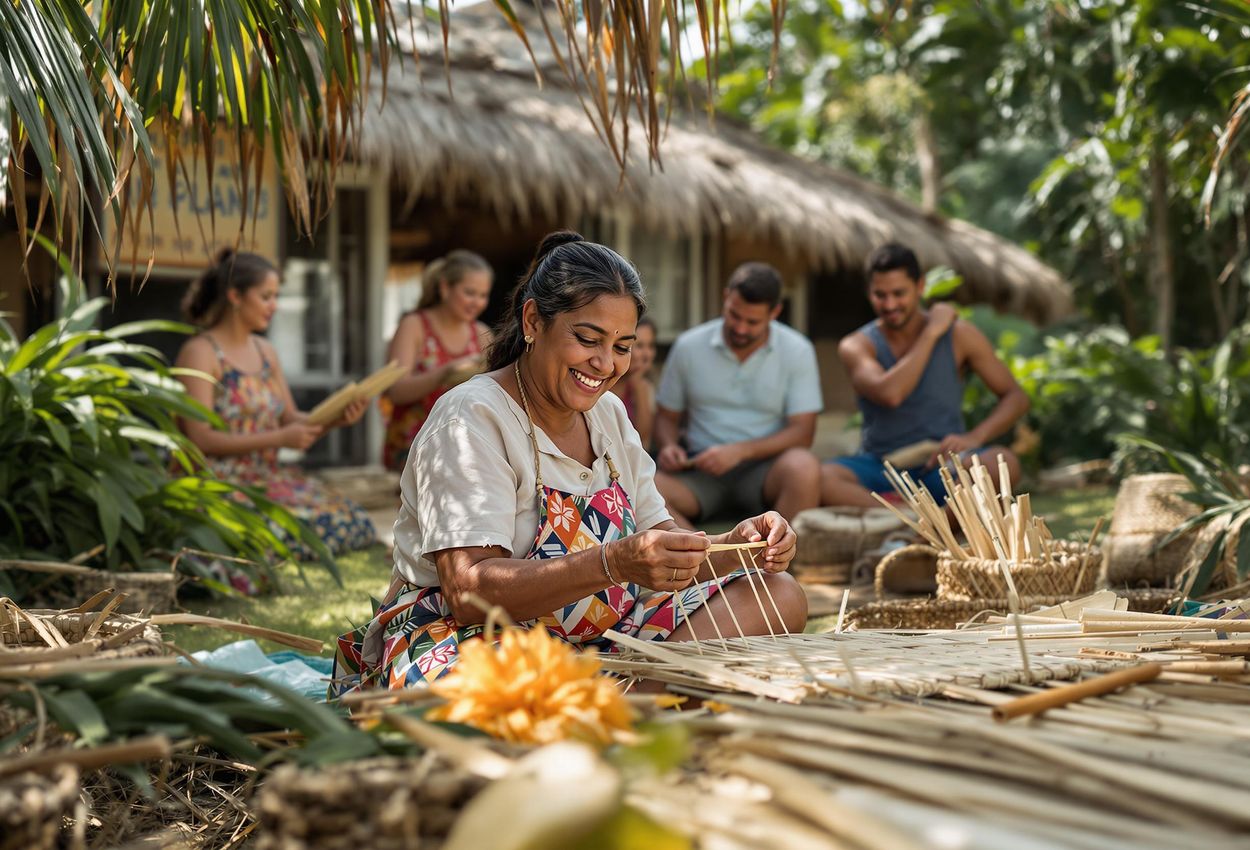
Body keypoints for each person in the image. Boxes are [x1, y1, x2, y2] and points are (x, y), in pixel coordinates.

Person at [331, 232, 806, 694]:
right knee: (485, 691)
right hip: (481, 639)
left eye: (622, 346)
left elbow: (668, 552)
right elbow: (469, 591)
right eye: (587, 338)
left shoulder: (609, 415)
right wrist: (612, 561)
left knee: (776, 593)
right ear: (534, 321)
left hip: (613, 639)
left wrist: (736, 545)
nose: (604, 363)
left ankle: (625, 702)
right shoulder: (471, 417)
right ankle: (618, 706)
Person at [175, 250, 377, 562]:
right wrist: (279, 439)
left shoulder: (266, 351)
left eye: (276, 296)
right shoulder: (201, 352)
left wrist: (338, 419)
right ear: (235, 296)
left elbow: (290, 418)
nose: (274, 306)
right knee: (265, 534)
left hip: (266, 477)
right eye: (266, 296)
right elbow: (199, 438)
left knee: (352, 519)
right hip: (216, 482)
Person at [822, 243, 1029, 507]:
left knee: (1003, 464)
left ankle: (921, 525)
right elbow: (891, 394)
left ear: (920, 286)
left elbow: (1015, 397)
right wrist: (931, 333)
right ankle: (915, 522)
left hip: (944, 465)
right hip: (881, 467)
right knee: (822, 478)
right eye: (880, 295)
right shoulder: (857, 345)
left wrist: (974, 437)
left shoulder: (960, 336)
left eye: (899, 293)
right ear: (868, 292)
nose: (890, 304)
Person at [652, 263, 823, 528]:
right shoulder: (688, 346)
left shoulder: (798, 350)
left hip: (766, 472)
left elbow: (803, 433)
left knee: (804, 468)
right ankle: (703, 562)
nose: (741, 328)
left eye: (752, 322)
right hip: (698, 471)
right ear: (725, 297)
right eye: (734, 315)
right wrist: (668, 446)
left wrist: (740, 451)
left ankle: (777, 564)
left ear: (775, 312)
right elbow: (666, 417)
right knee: (644, 486)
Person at [382, 251, 493, 471]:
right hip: (413, 451)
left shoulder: (482, 334)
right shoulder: (414, 325)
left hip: (463, 453)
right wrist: (445, 372)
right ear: (444, 288)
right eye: (469, 293)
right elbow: (396, 391)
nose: (477, 302)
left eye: (483, 295)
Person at [610, 315, 657, 449]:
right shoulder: (601, 383)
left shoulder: (645, 387)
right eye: (640, 346)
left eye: (651, 346)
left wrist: (638, 385)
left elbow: (643, 444)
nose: (647, 354)